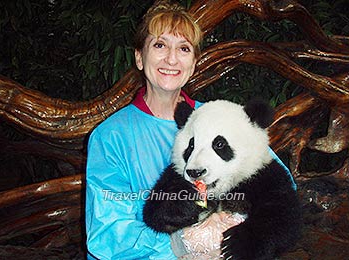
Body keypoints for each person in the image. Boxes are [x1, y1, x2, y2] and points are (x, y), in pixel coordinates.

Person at [85, 1, 296, 259]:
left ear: (194, 62)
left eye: (183, 48)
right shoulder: (110, 136)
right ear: (139, 57)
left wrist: (250, 234)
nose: (171, 59)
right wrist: (182, 242)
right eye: (160, 45)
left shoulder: (223, 116)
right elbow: (107, 237)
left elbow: (279, 195)